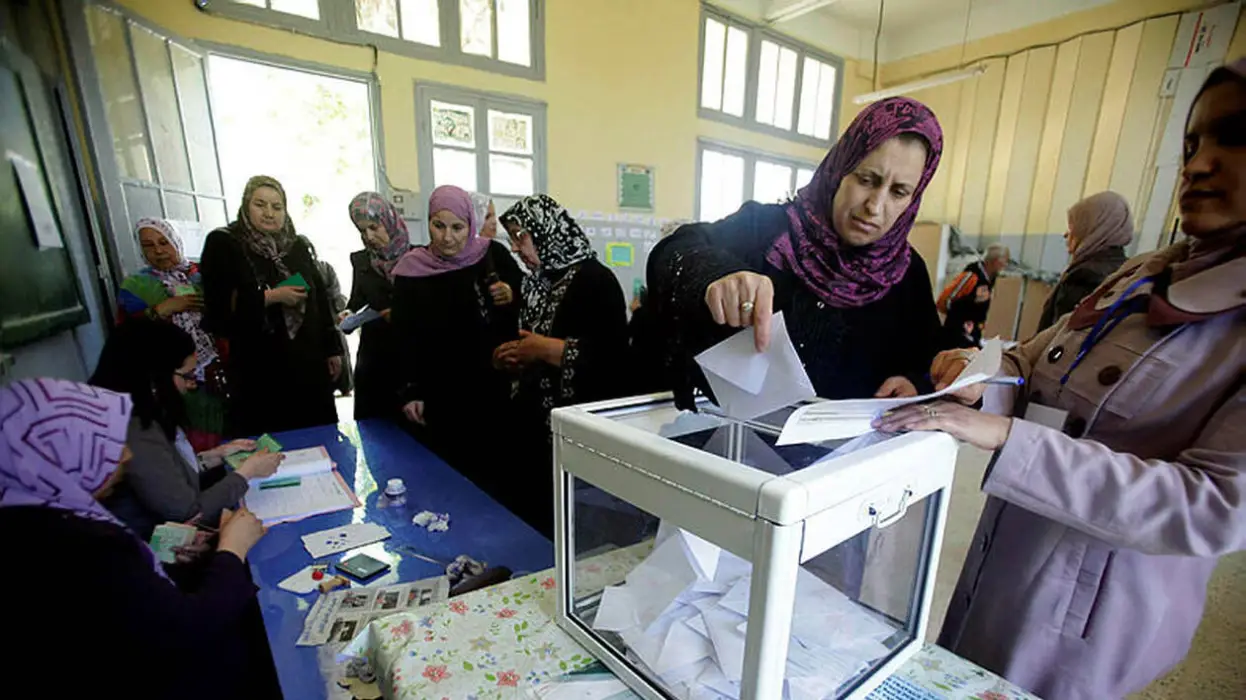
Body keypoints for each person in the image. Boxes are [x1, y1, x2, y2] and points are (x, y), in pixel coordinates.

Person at [875, 59, 1246, 700]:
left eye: (1233, 137)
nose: (1198, 165)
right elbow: (1031, 362)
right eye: (1191, 144)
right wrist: (970, 387)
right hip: (1010, 549)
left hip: (1093, 602)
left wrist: (1006, 439)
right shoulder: (1142, 274)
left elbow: (1212, 507)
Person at [648, 97, 946, 406]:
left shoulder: (907, 274)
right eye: (866, 179)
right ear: (840, 168)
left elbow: (927, 356)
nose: (875, 206)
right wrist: (714, 275)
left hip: (842, 451)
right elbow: (674, 250)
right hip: (726, 440)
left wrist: (915, 382)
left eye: (899, 192)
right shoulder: (764, 228)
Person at [1, 378, 277, 699]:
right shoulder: (83, 546)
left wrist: (168, 560)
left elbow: (127, 601)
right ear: (61, 454)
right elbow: (188, 629)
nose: (127, 456)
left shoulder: (40, 519)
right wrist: (233, 549)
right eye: (112, 445)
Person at [494, 195, 630, 535]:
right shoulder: (535, 284)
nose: (514, 247)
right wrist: (509, 356)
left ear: (546, 229)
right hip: (532, 434)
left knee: (569, 531)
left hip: (577, 439)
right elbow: (527, 341)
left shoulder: (597, 280)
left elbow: (615, 362)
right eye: (510, 237)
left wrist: (546, 349)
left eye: (519, 235)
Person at [89, 318, 283, 539]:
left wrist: (212, 457)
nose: (192, 385)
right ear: (154, 377)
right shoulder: (134, 429)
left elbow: (163, 474)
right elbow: (188, 511)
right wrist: (247, 472)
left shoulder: (129, 409)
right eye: (187, 376)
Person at [391, 185, 522, 486]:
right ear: (428, 223)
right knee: (446, 477)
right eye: (439, 226)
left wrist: (511, 293)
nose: (447, 237)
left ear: (470, 226)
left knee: (493, 476)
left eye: (457, 227)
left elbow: (527, 299)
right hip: (440, 391)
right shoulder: (412, 270)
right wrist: (410, 390)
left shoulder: (492, 255)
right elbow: (403, 336)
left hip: (491, 388)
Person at [200, 175, 342, 435]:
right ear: (246, 205)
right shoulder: (224, 244)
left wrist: (332, 349)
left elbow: (319, 301)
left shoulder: (297, 245)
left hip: (307, 363)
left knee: (318, 438)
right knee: (272, 445)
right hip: (259, 366)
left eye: (277, 207)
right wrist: (270, 297)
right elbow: (217, 311)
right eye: (260, 205)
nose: (269, 213)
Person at [117, 217, 226, 451]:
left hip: (216, 372)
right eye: (148, 245)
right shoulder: (136, 286)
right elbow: (127, 335)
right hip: (171, 379)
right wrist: (164, 309)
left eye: (164, 242)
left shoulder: (203, 276)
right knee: (187, 442)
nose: (158, 250)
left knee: (228, 434)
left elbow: (229, 312)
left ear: (176, 242)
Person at [345, 191, 414, 421]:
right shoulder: (361, 261)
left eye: (374, 227)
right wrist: (347, 314)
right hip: (373, 362)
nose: (369, 236)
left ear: (389, 221)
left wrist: (399, 314)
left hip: (408, 363)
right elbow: (356, 302)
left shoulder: (418, 258)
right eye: (362, 230)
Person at [1036, 191, 1133, 332]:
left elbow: (1060, 338)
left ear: (1092, 229)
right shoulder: (1128, 268)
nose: (1066, 234)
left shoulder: (1084, 276)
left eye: (1072, 227)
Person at [301, 235, 354, 397]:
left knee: (337, 352)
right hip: (312, 322)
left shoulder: (324, 268)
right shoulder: (298, 271)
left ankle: (344, 385)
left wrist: (341, 311)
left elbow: (335, 293)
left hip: (328, 319)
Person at [937, 242, 1010, 348]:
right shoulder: (971, 276)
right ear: (995, 261)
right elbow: (944, 302)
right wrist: (972, 300)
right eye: (1005, 261)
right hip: (956, 337)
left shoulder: (990, 280)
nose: (1006, 265)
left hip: (973, 335)